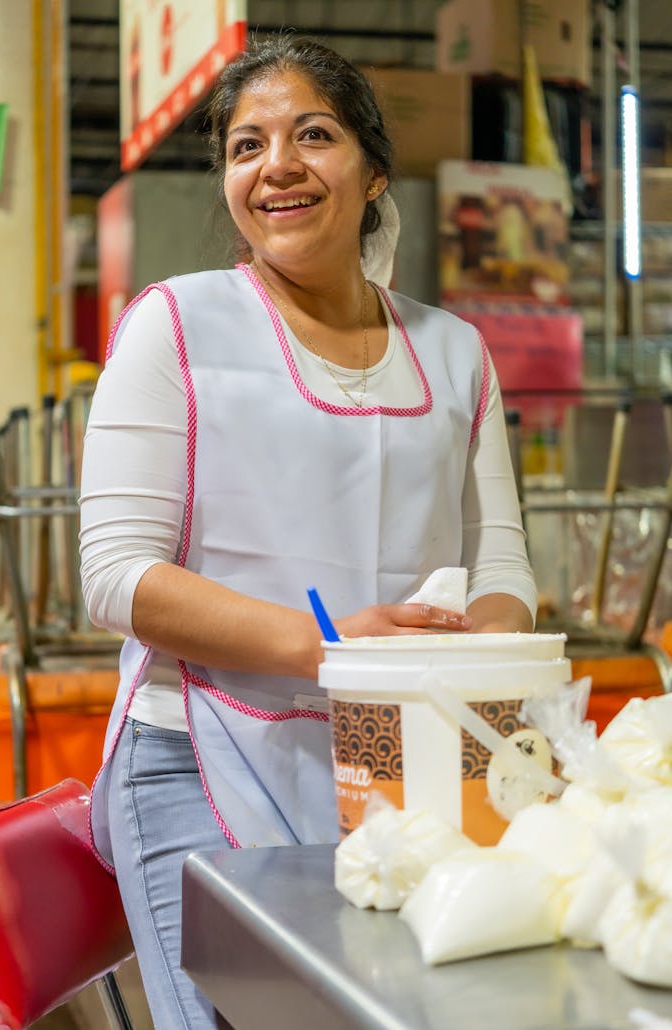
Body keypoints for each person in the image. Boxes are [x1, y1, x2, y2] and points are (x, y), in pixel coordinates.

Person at [79, 32, 537, 1030]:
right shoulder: (177, 325)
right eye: (246, 147)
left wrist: (456, 648)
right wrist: (332, 650)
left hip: (405, 755)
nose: (276, 166)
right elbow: (115, 577)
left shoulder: (452, 350)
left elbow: (500, 555)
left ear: (373, 173)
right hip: (199, 747)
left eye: (312, 135)